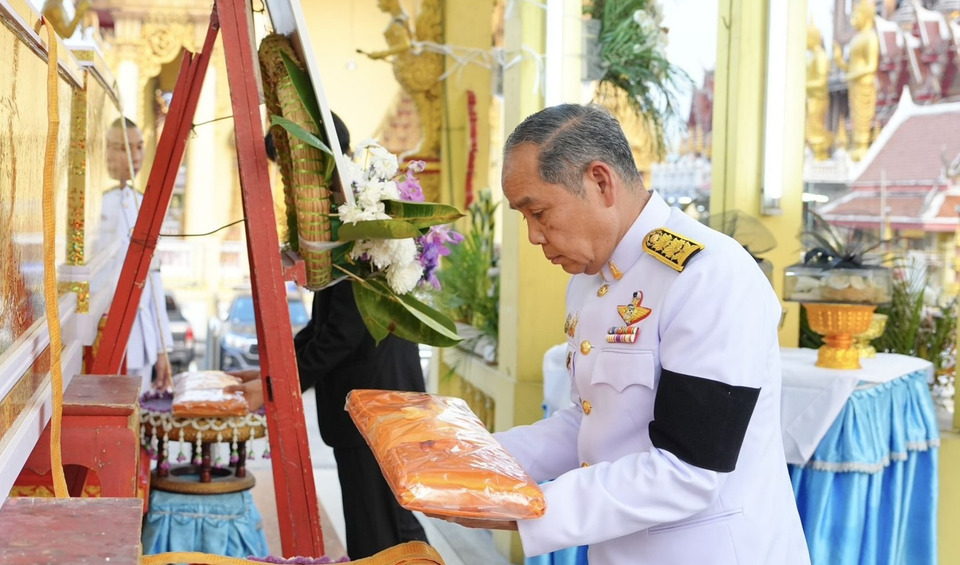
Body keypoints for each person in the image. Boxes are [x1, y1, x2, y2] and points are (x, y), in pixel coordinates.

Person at [442, 104, 810, 564]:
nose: (533, 236)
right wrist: (474, 459)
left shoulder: (709, 275)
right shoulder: (590, 280)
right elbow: (590, 424)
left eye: (539, 212)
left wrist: (526, 509)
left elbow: (689, 470)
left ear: (600, 182)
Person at [235, 113, 429, 559]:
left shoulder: (358, 213)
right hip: (367, 401)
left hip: (374, 402)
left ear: (310, 159)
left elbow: (341, 334)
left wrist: (274, 388)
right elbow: (324, 325)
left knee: (382, 533)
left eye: (288, 168)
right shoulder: (339, 208)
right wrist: (271, 372)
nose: (287, 183)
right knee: (381, 526)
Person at [99, 117, 174, 393]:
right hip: (102, 337)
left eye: (139, 147)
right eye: (124, 148)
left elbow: (154, 279)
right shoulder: (94, 204)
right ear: (105, 150)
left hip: (141, 339)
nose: (135, 156)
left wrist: (163, 348)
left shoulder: (143, 203)